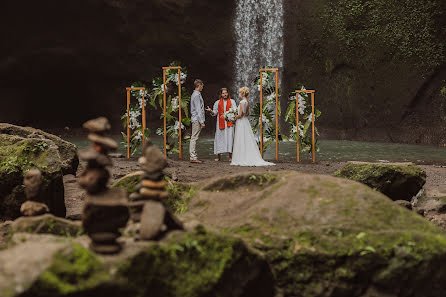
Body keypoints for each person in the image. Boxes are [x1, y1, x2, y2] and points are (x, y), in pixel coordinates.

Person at [231, 86, 275, 167]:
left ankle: (241, 157)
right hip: (245, 122)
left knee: (241, 138)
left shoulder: (241, 102)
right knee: (246, 138)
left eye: (240, 92)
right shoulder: (247, 102)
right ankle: (246, 156)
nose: (239, 93)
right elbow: (247, 114)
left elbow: (240, 115)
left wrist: (232, 118)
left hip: (241, 122)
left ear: (242, 93)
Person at [205, 88, 236, 162]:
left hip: (229, 123)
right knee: (219, 138)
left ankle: (230, 157)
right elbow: (215, 113)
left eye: (226, 93)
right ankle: (218, 157)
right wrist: (211, 111)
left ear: (228, 93)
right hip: (220, 123)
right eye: (223, 93)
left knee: (230, 138)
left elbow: (235, 111)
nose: (225, 94)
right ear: (221, 94)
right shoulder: (217, 102)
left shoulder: (232, 101)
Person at [189, 79, 206, 163]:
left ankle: (194, 156)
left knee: (194, 137)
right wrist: (202, 121)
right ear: (199, 85)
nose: (203, 87)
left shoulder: (197, 94)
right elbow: (198, 110)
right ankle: (193, 157)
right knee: (194, 138)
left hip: (196, 119)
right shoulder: (196, 95)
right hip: (197, 119)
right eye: (202, 85)